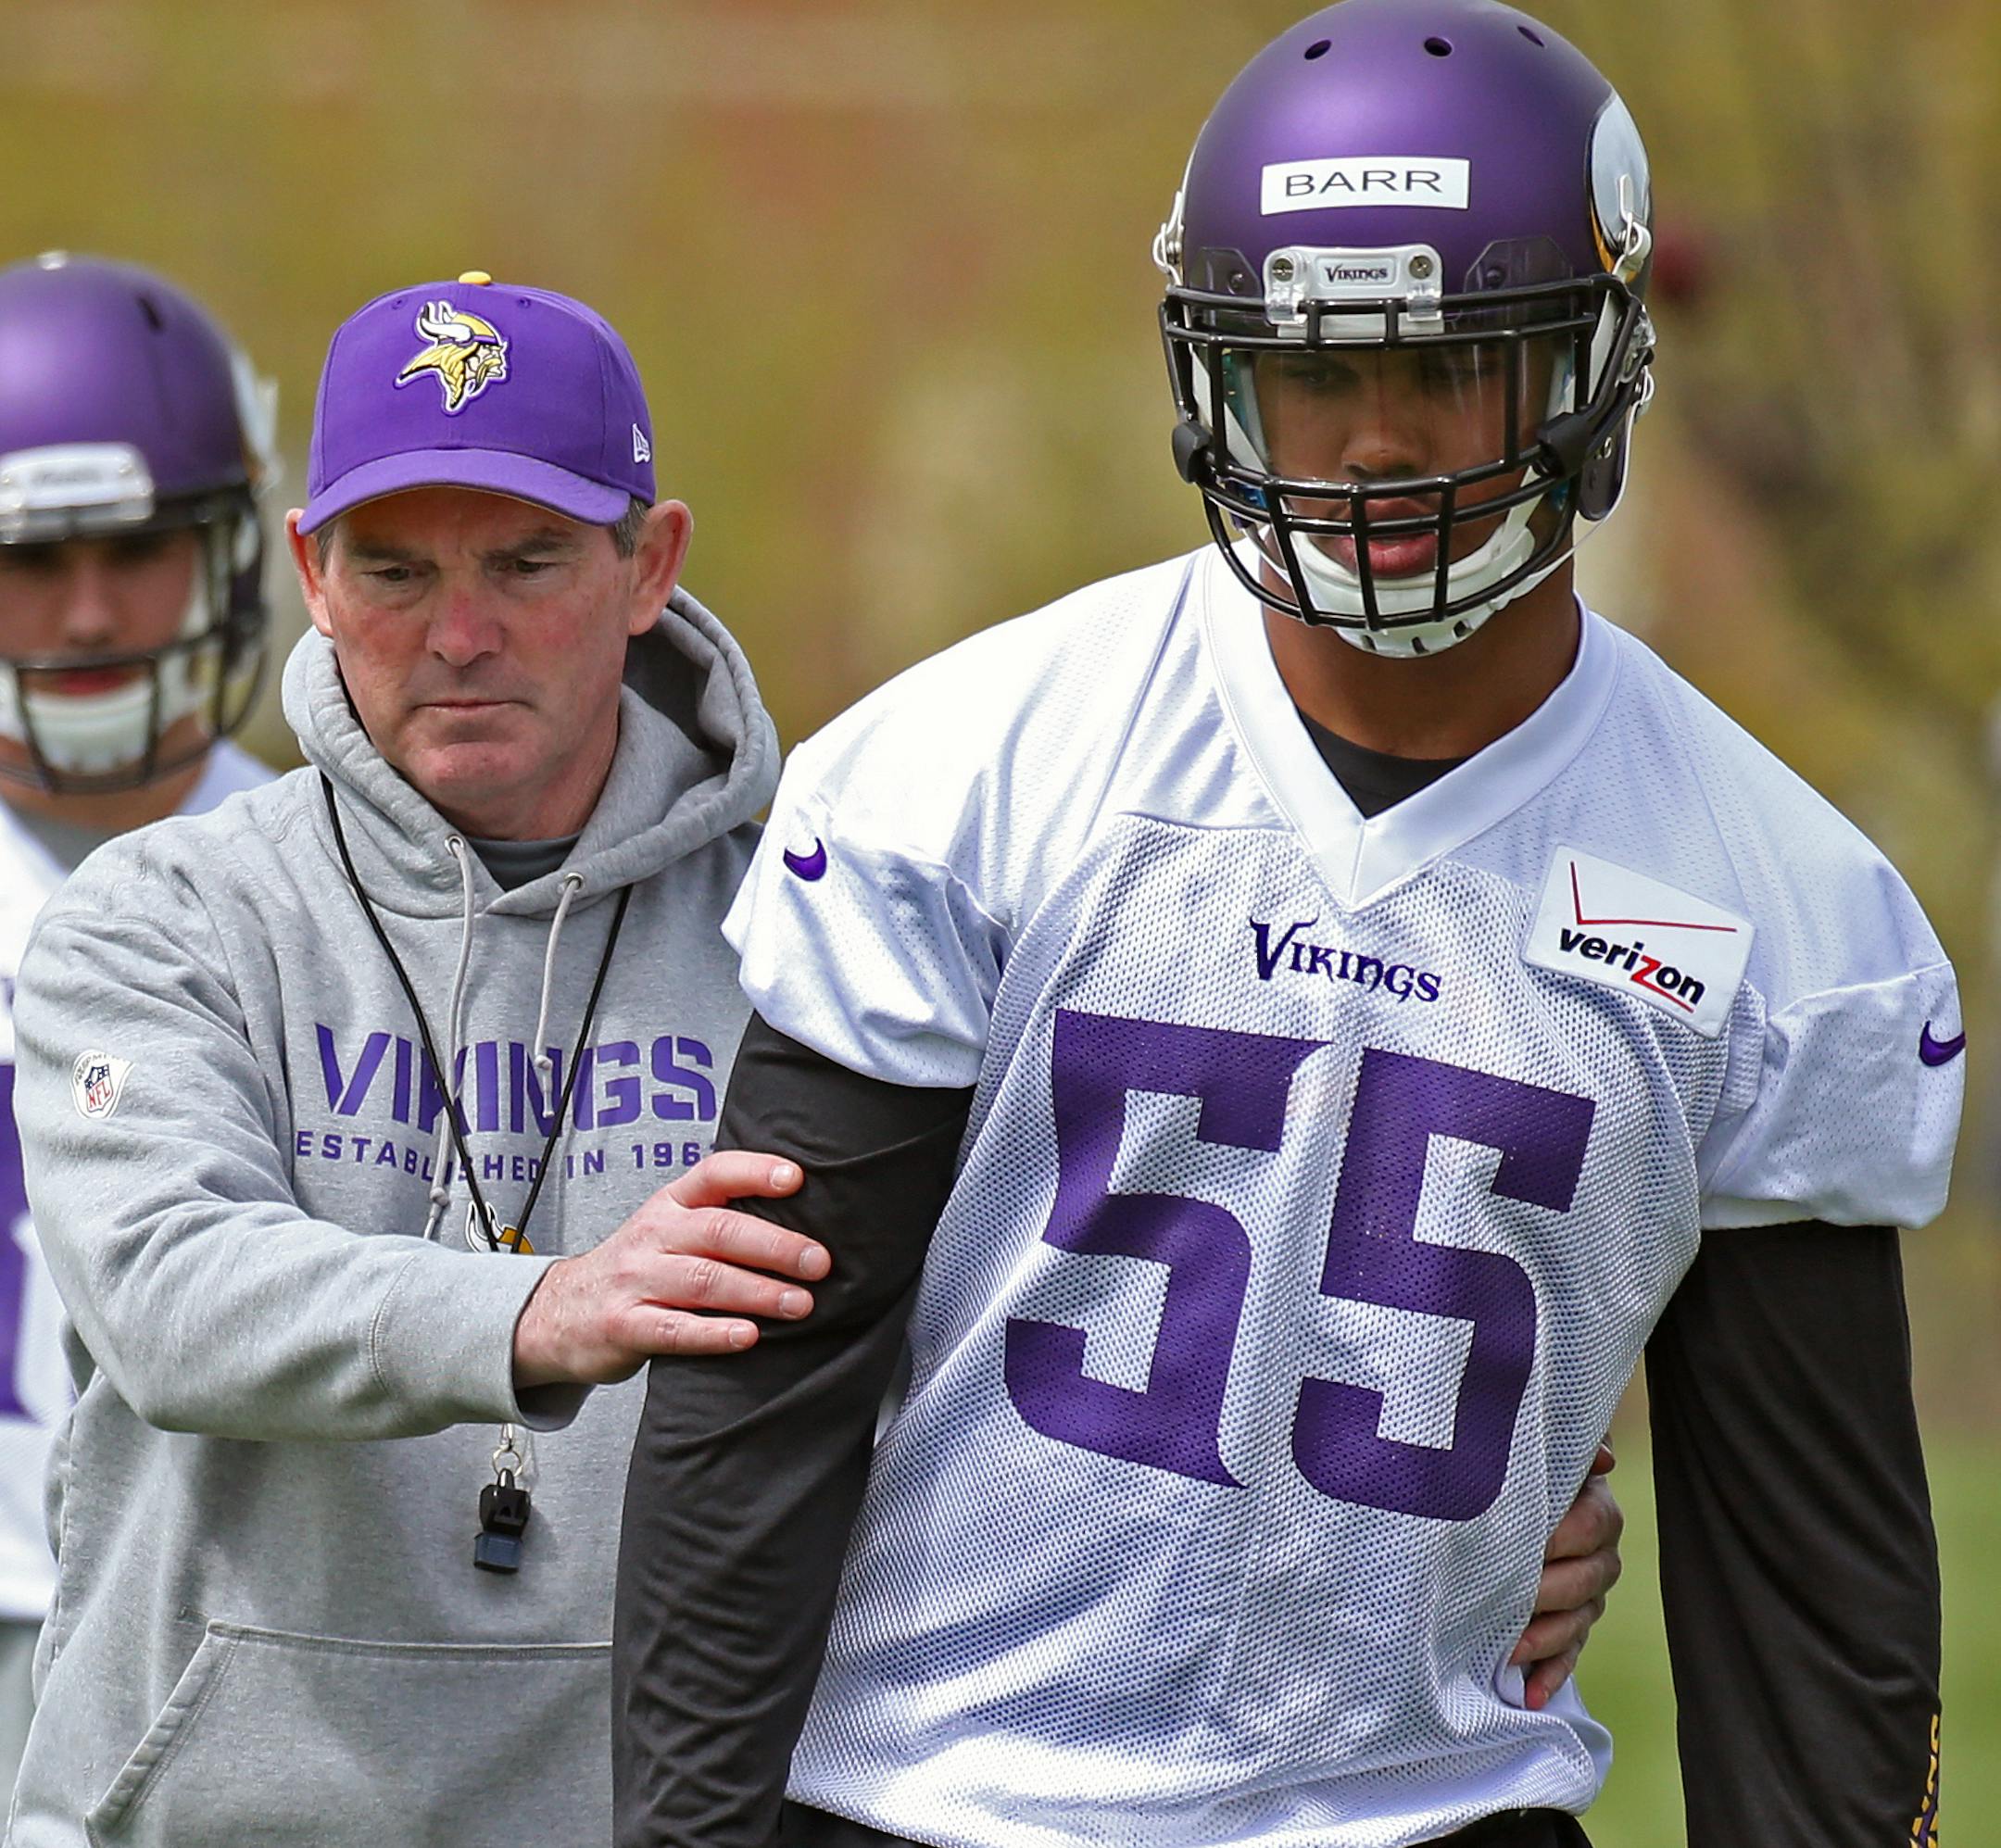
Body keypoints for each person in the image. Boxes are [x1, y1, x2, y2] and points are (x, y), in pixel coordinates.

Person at [612, 3, 1960, 1845]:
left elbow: (1808, 1587)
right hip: (941, 1800)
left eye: (1457, 364)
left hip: (1433, 1809)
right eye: (1317, 372)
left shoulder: (1782, 905)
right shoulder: (976, 769)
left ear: (1594, 364)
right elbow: (756, 1411)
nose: (1384, 439)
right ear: (1215, 374)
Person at [3, 273, 833, 1846]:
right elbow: (170, 1296)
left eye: (528, 561)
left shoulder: (818, 922)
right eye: (394, 570)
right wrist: (538, 1308)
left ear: (649, 564)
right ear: (312, 574)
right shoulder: (158, 910)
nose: (460, 636)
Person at [0, 253, 278, 1798]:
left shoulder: (336, 875)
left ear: (234, 553)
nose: (91, 612)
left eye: (138, 547)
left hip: (226, 1634)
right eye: (29, 562)